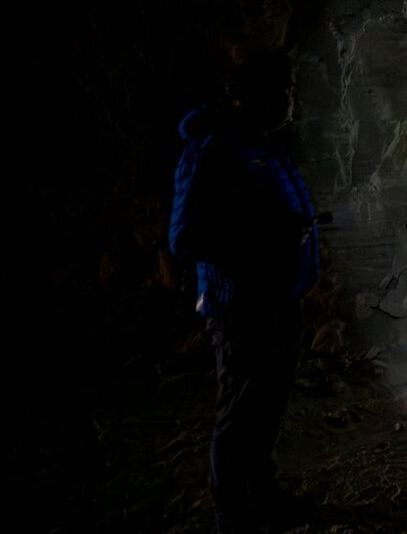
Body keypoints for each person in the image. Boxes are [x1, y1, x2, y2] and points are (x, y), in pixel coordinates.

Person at [169, 45, 320, 534]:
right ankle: (230, 515)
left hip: (277, 302)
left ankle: (263, 497)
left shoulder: (263, 144)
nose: (291, 99)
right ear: (248, 97)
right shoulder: (213, 150)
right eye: (283, 90)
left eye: (291, 89)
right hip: (241, 308)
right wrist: (267, 239)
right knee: (239, 414)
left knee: (267, 407)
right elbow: (185, 237)